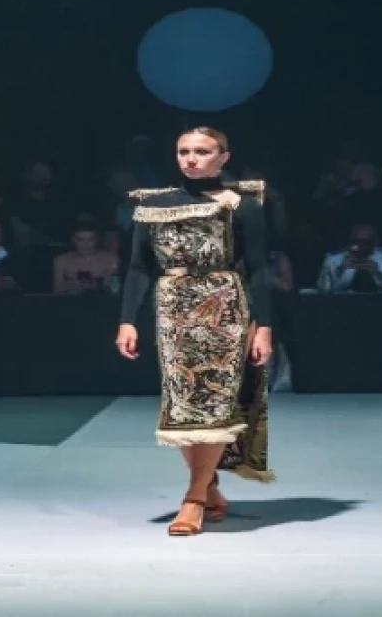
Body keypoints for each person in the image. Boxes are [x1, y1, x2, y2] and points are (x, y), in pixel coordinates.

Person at [115, 126, 274, 537]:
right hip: (172, 309)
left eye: (202, 151)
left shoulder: (241, 206)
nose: (190, 158)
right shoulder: (153, 206)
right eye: (183, 151)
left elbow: (259, 269)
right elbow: (138, 267)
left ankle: (194, 498)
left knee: (215, 400)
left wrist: (264, 326)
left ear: (223, 157)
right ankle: (209, 486)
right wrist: (127, 319)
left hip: (224, 307)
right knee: (183, 400)